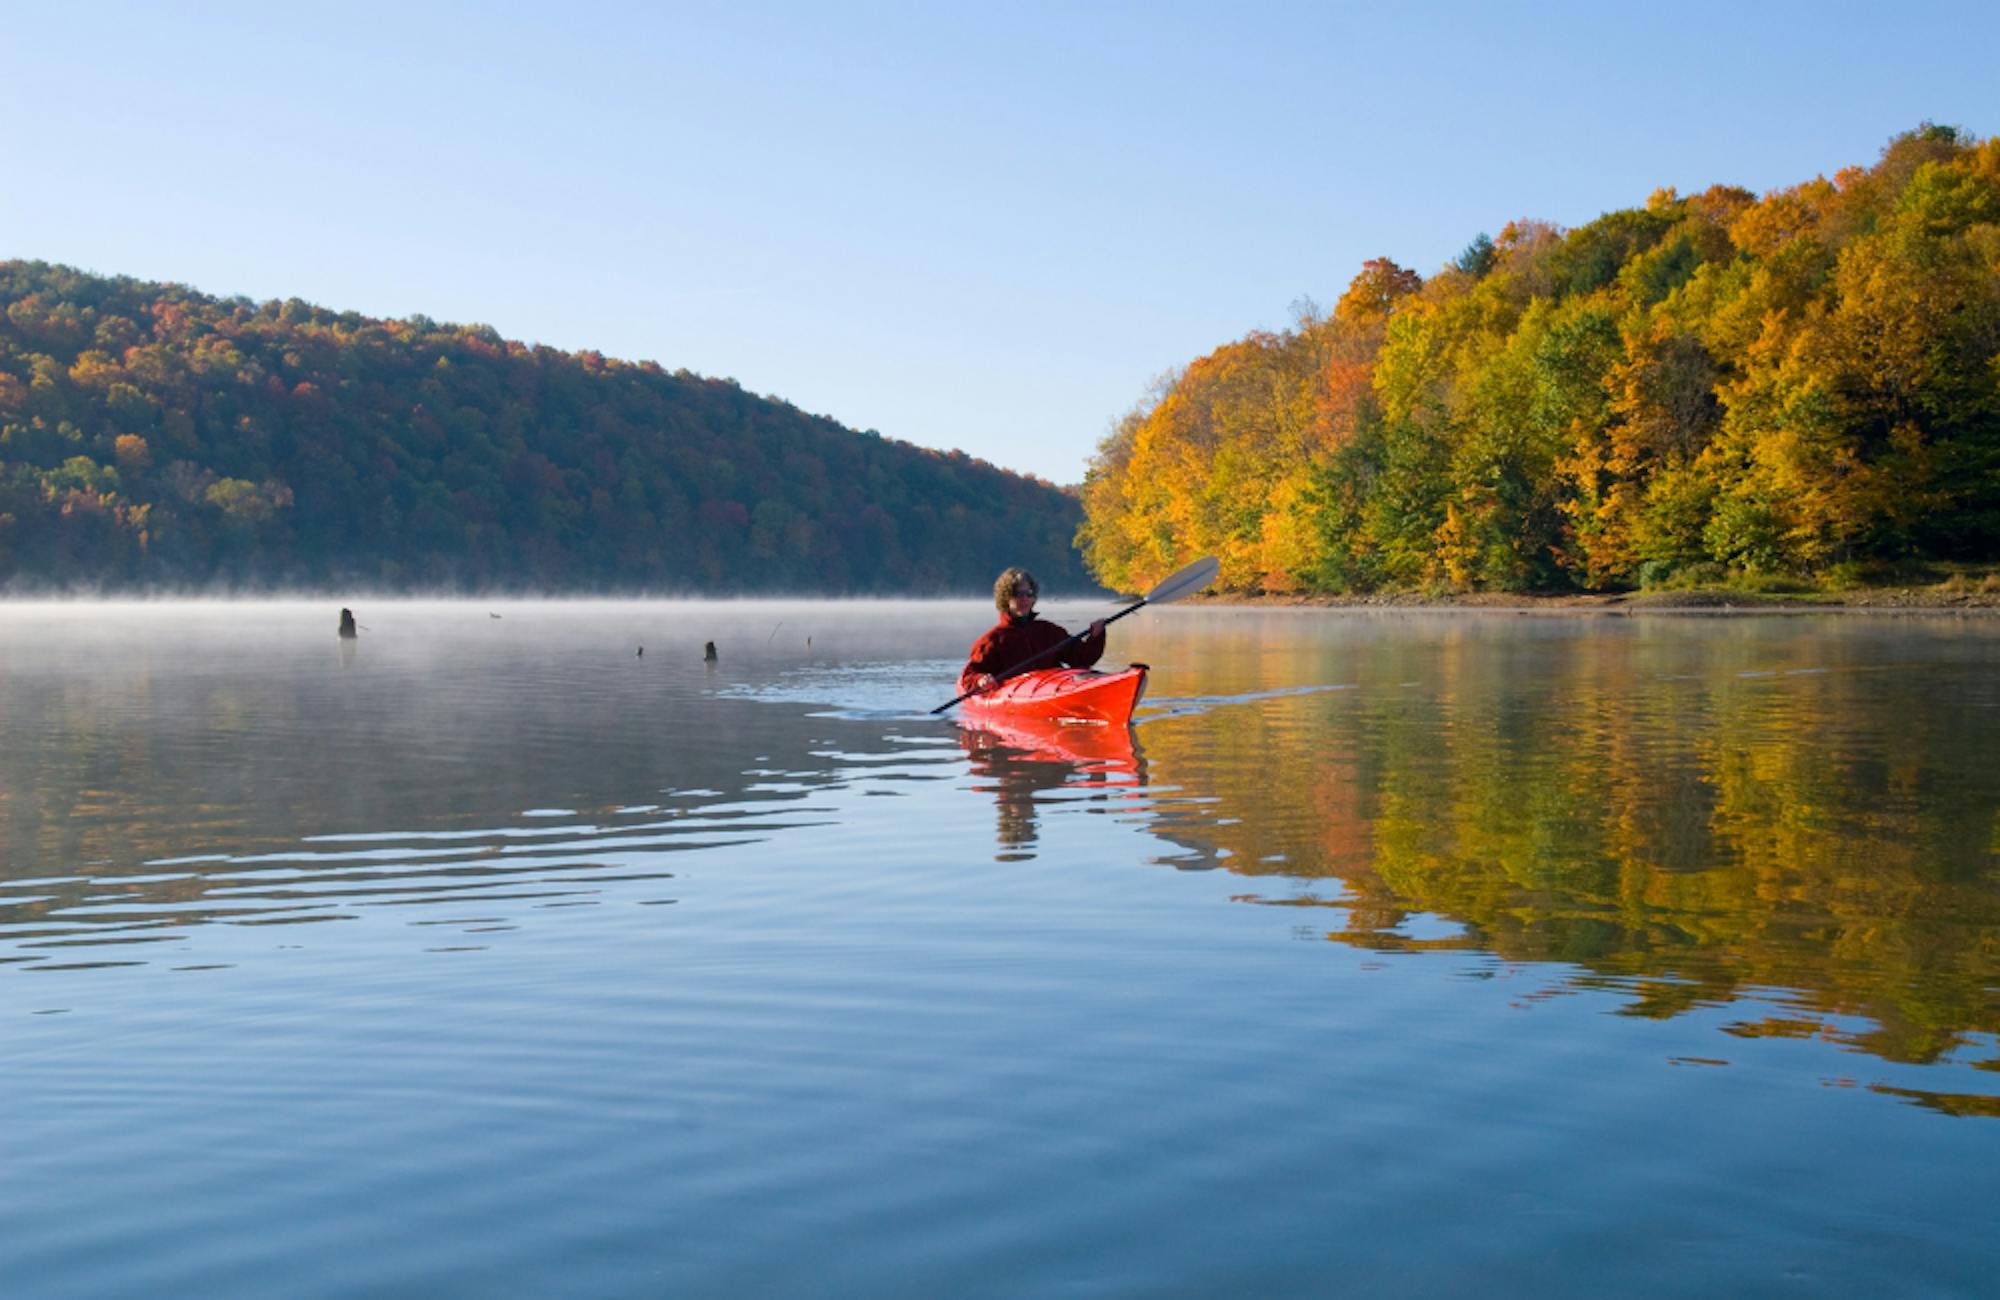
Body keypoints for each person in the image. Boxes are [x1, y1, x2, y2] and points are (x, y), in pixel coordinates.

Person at [959, 567, 1106, 695]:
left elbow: (1082, 658)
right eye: (1017, 594)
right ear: (1005, 599)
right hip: (1016, 695)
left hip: (1054, 687)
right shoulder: (992, 640)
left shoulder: (1049, 631)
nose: (1024, 599)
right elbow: (969, 676)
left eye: (1028, 594)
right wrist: (981, 680)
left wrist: (1096, 636)